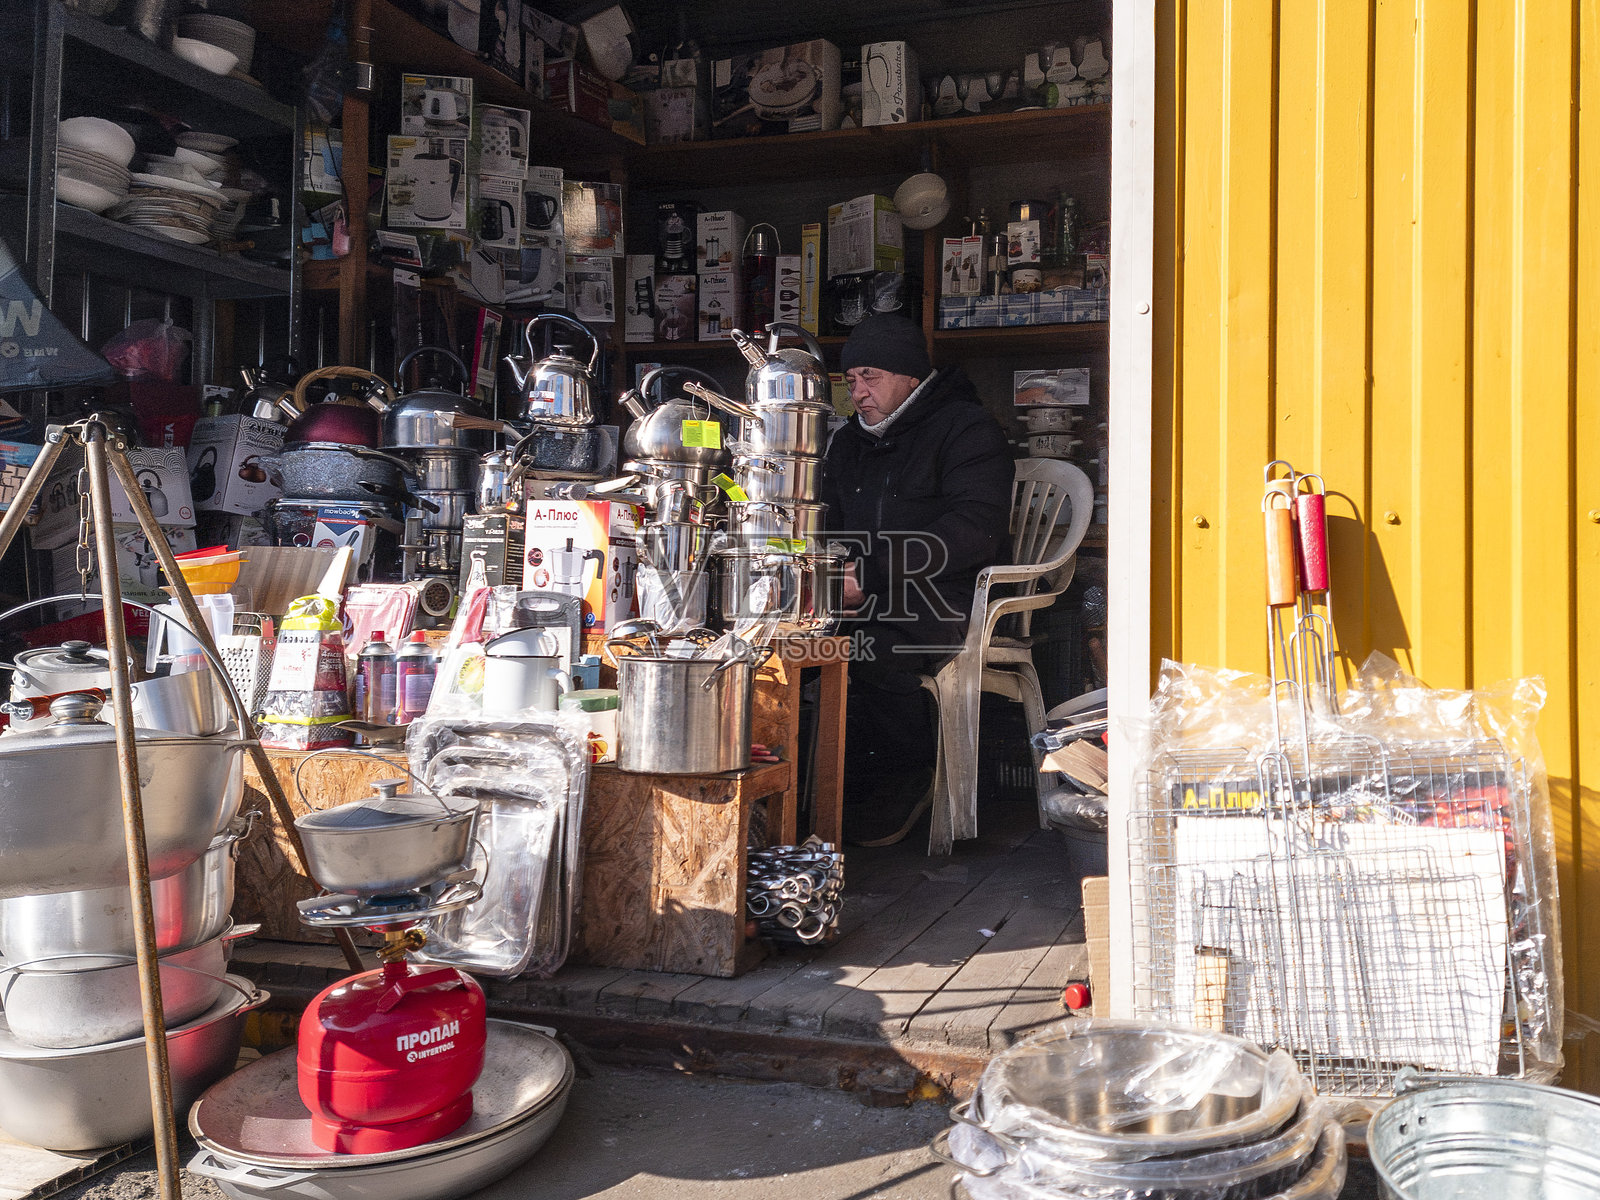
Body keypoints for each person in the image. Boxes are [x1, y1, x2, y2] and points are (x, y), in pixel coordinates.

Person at [819, 312, 1014, 846]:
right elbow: (826, 525)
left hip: (945, 598)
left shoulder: (965, 428)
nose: (858, 392)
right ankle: (823, 792)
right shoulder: (849, 443)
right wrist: (827, 577)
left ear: (909, 376)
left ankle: (906, 777)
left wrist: (873, 578)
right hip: (862, 596)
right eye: (850, 380)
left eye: (870, 377)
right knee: (789, 652)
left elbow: (974, 530)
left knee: (864, 650)